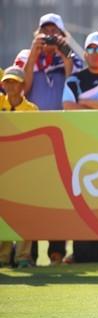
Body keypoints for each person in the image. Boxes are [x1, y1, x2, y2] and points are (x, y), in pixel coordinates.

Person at [14, 13, 83, 265]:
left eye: (55, 31)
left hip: (62, 133)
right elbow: (23, 88)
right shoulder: (26, 57)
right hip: (32, 132)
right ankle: (27, 254)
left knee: (59, 195)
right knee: (32, 194)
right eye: (45, 30)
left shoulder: (69, 57)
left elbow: (73, 77)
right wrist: (34, 53)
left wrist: (62, 49)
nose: (49, 35)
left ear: (63, 34)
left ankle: (57, 251)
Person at [0, 66, 38, 268]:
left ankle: (23, 256)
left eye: (14, 82)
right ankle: (3, 256)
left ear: (23, 85)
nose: (10, 86)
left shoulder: (31, 109)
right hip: (2, 168)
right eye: (7, 81)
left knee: (24, 213)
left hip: (23, 167)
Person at [62, 32, 98, 110]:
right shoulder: (73, 80)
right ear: (85, 54)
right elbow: (68, 106)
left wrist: (84, 102)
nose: (94, 54)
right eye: (90, 50)